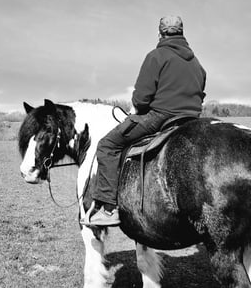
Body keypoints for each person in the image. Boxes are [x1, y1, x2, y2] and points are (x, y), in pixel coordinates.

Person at [82, 15, 207, 227]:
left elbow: (141, 98)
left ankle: (109, 209)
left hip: (161, 117)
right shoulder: (197, 63)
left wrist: (138, 109)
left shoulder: (156, 56)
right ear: (182, 33)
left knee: (107, 145)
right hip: (192, 121)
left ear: (160, 33)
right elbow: (200, 92)